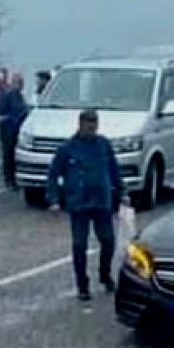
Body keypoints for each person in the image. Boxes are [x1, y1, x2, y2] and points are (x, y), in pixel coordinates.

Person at [46, 109, 128, 301]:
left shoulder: (103, 145)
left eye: (94, 126)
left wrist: (122, 191)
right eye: (88, 126)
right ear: (80, 124)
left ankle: (105, 273)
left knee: (108, 241)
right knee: (79, 245)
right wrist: (54, 200)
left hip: (101, 201)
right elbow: (53, 174)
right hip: (79, 203)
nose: (91, 130)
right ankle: (82, 284)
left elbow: (114, 169)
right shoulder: (67, 148)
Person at [0, 72, 29, 190]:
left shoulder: (19, 95)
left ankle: (12, 179)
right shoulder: (8, 95)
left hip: (17, 128)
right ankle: (9, 180)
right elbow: (3, 111)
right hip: (9, 129)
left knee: (13, 155)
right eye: (19, 83)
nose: (21, 85)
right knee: (8, 154)